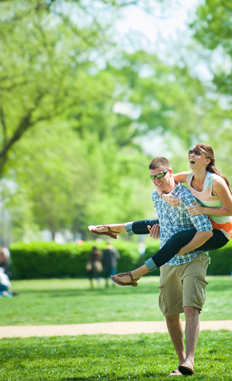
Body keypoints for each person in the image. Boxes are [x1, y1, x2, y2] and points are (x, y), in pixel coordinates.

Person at [89, 156, 213, 377]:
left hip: (194, 257)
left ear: (170, 172)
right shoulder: (157, 196)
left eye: (160, 175)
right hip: (168, 261)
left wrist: (183, 249)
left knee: (190, 308)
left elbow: (205, 231)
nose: (157, 180)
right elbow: (162, 223)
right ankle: (181, 362)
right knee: (170, 313)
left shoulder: (186, 196)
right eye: (152, 177)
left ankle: (190, 360)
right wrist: (155, 231)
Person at [89, 144, 232, 286]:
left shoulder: (216, 182)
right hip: (206, 223)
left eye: (197, 153)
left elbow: (231, 211)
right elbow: (161, 181)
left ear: (207, 160)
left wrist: (202, 212)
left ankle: (136, 274)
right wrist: (165, 197)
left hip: (219, 233)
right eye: (190, 152)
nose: (191, 155)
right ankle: (113, 229)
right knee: (158, 222)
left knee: (176, 240)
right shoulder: (187, 177)